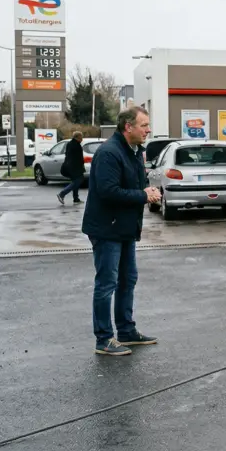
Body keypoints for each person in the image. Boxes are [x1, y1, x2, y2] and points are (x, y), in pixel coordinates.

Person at [82, 107, 162, 355]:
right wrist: (142, 195)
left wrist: (148, 193)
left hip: (125, 228)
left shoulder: (136, 151)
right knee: (107, 283)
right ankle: (104, 339)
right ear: (128, 127)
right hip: (107, 228)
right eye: (144, 125)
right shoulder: (109, 153)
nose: (148, 130)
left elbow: (136, 183)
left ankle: (126, 331)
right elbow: (108, 191)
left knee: (128, 279)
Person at [57, 131, 85, 205]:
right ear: (77, 137)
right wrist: (81, 167)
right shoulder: (77, 146)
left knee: (75, 181)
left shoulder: (70, 144)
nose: (82, 139)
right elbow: (79, 158)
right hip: (75, 167)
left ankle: (76, 198)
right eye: (81, 137)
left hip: (69, 166)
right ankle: (62, 194)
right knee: (78, 180)